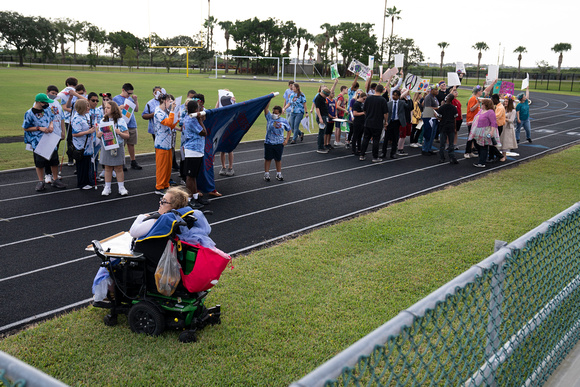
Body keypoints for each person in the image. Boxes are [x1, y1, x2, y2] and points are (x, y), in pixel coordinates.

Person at [22, 93, 67, 191]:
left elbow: (51, 118)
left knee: (54, 160)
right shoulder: (29, 113)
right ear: (39, 102)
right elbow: (26, 128)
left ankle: (55, 179)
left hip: (50, 139)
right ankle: (40, 181)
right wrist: (39, 128)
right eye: (45, 102)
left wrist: (51, 125)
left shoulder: (46, 110)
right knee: (39, 162)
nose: (47, 104)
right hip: (37, 141)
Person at [96, 100, 130, 196]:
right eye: (105, 108)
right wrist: (99, 135)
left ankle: (121, 187)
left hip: (117, 146)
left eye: (108, 108)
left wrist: (120, 133)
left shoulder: (120, 121)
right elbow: (99, 135)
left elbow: (127, 136)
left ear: (114, 109)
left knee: (119, 167)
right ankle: (107, 187)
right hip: (107, 146)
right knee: (107, 167)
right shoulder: (103, 120)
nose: (105, 109)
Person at [180, 99, 207, 209]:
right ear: (195, 109)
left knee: (193, 175)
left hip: (197, 150)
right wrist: (200, 120)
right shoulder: (192, 120)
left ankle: (195, 196)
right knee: (190, 176)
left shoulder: (190, 117)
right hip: (193, 150)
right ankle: (190, 199)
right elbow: (204, 132)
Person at [153, 94, 179, 195]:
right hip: (161, 144)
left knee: (168, 166)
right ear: (164, 101)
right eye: (169, 101)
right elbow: (168, 122)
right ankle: (159, 186)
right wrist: (173, 111)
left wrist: (177, 117)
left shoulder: (164, 112)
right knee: (162, 166)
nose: (171, 103)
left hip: (167, 143)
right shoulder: (158, 112)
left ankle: (165, 184)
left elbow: (171, 125)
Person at [113, 83, 141, 170]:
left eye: (131, 93)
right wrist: (119, 107)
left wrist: (135, 100)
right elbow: (112, 110)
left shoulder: (130, 99)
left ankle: (133, 161)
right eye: (128, 93)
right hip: (122, 124)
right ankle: (121, 162)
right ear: (123, 90)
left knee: (131, 144)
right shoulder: (116, 98)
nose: (129, 95)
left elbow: (136, 110)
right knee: (122, 144)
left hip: (132, 123)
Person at [71, 99, 97, 189]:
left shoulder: (85, 116)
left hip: (87, 144)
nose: (88, 108)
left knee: (87, 163)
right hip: (80, 145)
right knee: (82, 164)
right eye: (87, 106)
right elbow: (74, 133)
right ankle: (82, 183)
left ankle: (88, 180)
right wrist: (88, 131)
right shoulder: (76, 118)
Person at [43, 85, 66, 184]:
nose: (54, 95)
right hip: (47, 132)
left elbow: (61, 118)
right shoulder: (43, 103)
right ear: (47, 92)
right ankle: (47, 174)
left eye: (56, 94)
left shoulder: (57, 104)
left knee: (54, 156)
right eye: (52, 93)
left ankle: (54, 174)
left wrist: (63, 131)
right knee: (47, 154)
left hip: (57, 133)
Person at [263, 100, 291, 182]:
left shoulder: (284, 121)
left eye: (276, 113)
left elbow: (289, 130)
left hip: (279, 143)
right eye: (273, 112)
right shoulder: (269, 118)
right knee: (268, 159)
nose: (274, 114)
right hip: (269, 142)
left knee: (278, 159)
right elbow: (266, 108)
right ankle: (267, 174)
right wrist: (270, 98)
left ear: (279, 113)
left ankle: (279, 173)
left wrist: (286, 140)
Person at [359, 84, 388, 162]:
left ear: (375, 89)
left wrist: (368, 115)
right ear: (382, 91)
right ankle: (375, 157)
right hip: (377, 123)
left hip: (368, 122)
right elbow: (385, 113)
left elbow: (364, 110)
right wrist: (386, 121)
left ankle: (362, 155)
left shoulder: (368, 98)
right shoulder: (383, 100)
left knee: (365, 138)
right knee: (376, 140)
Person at [468, 99, 500, 168]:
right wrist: (471, 122)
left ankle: (482, 162)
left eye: (482, 104)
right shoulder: (481, 111)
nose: (481, 105)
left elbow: (493, 122)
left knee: (483, 146)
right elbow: (477, 118)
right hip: (478, 130)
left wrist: (492, 131)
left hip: (485, 131)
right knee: (478, 145)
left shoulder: (490, 112)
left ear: (486, 105)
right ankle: (481, 160)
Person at [314, 79, 339, 153]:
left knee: (323, 132)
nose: (326, 97)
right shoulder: (318, 98)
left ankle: (321, 146)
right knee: (322, 132)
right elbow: (317, 109)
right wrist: (320, 118)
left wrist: (335, 83)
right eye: (326, 95)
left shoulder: (323, 97)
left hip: (325, 116)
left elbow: (330, 91)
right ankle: (320, 147)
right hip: (322, 116)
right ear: (323, 93)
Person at [382, 89, 407, 159]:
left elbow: (409, 107)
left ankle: (393, 153)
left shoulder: (402, 103)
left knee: (395, 138)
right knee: (386, 138)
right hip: (389, 122)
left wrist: (408, 99)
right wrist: (385, 123)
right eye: (393, 95)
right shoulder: (389, 103)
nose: (394, 96)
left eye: (396, 95)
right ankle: (383, 152)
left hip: (397, 122)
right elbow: (386, 114)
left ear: (399, 96)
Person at [216, 89, 236, 177]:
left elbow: (237, 111)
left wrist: (234, 102)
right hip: (222, 130)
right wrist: (219, 97)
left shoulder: (232, 106)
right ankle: (223, 167)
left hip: (230, 129)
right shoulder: (221, 109)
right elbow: (216, 109)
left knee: (230, 149)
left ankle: (230, 167)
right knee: (222, 149)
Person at [436, 94, 459, 164]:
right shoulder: (454, 108)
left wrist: (436, 116)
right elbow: (455, 119)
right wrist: (455, 128)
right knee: (451, 143)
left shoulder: (442, 108)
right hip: (451, 126)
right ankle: (452, 157)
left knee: (442, 143)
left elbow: (439, 118)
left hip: (443, 126)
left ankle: (442, 157)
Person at [421, 85, 440, 156]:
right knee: (428, 133)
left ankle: (429, 148)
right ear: (431, 90)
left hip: (434, 117)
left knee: (433, 134)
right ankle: (425, 149)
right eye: (435, 89)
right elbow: (428, 107)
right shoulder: (428, 97)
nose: (437, 91)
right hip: (428, 117)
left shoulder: (435, 97)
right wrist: (437, 108)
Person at [500, 94, 518, 162]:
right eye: (505, 101)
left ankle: (504, 156)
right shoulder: (503, 108)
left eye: (507, 101)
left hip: (508, 128)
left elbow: (511, 120)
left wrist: (505, 118)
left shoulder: (513, 111)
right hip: (503, 126)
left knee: (506, 141)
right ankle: (502, 155)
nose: (505, 103)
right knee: (502, 140)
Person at [351, 92, 366, 156]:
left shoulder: (362, 104)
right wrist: (363, 113)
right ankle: (353, 149)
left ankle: (359, 148)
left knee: (360, 136)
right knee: (355, 136)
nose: (364, 100)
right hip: (357, 122)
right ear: (360, 97)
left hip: (362, 121)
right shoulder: (356, 104)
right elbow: (355, 113)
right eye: (364, 99)